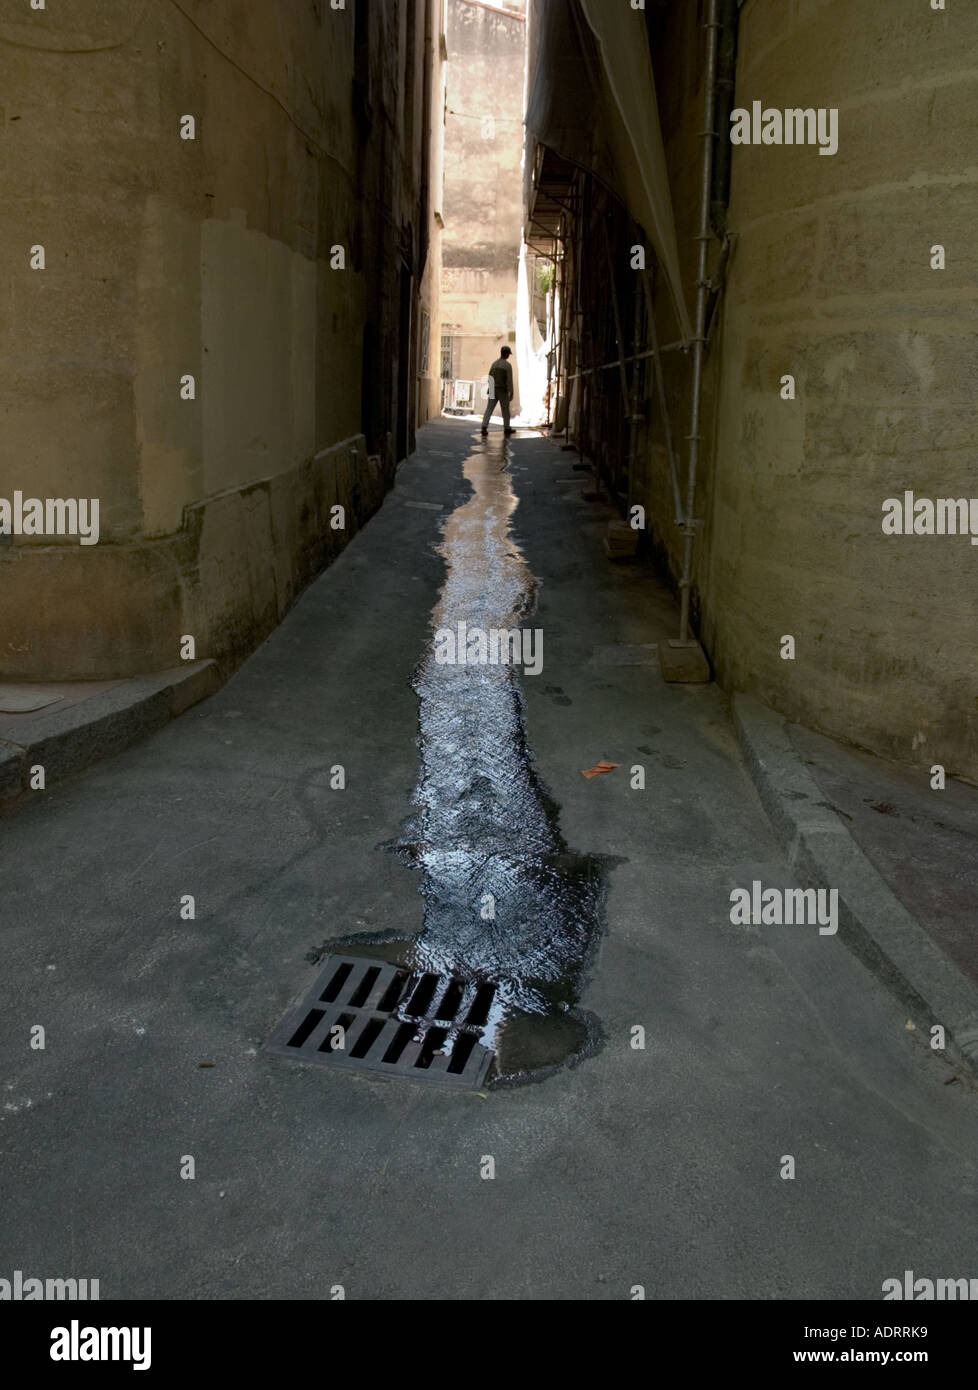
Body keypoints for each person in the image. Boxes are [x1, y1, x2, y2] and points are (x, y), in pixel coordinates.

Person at [481, 345, 515, 435]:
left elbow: (489, 377)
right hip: (502, 390)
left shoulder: (494, 364)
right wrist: (511, 392)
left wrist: (490, 389)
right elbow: (509, 380)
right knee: (505, 410)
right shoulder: (507, 365)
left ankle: (484, 427)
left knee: (489, 408)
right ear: (507, 354)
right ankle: (507, 428)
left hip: (493, 388)